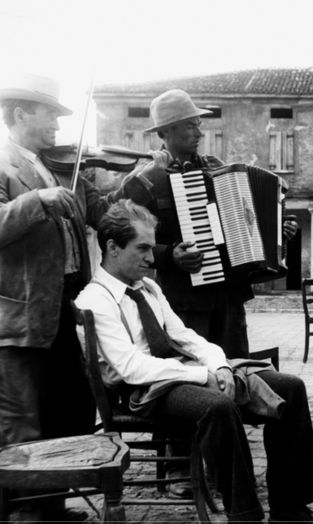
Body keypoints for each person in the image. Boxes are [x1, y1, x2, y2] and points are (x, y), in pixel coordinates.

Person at [74, 200, 313, 522]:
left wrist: (218, 366)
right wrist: (199, 376)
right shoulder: (95, 300)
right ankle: (244, 514)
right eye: (143, 248)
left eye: (151, 248)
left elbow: (185, 336)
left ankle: (289, 508)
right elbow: (131, 368)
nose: (151, 258)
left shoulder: (147, 288)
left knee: (290, 387)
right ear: (112, 247)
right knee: (217, 405)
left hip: (178, 373)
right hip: (143, 391)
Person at [0, 74, 153, 520]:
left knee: (68, 411)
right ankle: (25, 515)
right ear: (20, 114)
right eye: (49, 115)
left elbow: (107, 216)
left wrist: (140, 179)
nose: (57, 125)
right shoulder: (4, 164)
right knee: (22, 421)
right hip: (22, 317)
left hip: (68, 309)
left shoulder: (62, 169)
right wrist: (39, 200)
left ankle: (50, 505)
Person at [126, 88, 297, 360]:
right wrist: (170, 255)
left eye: (198, 125)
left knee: (237, 369)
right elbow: (125, 239)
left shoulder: (216, 168)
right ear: (165, 132)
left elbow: (246, 223)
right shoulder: (147, 178)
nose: (199, 133)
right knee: (193, 373)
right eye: (189, 126)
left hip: (230, 298)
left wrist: (278, 231)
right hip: (185, 304)